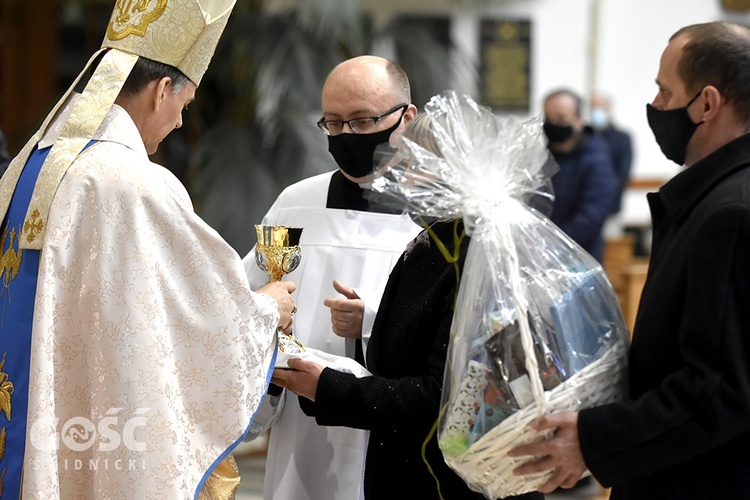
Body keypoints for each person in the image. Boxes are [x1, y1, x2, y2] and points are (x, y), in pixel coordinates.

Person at [0, 1, 296, 498]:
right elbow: (198, 327)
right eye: (184, 105)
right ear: (162, 91)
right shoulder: (133, 184)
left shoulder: (35, 166)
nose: (181, 122)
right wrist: (267, 309)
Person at [510, 21, 750, 499]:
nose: (656, 106)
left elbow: (718, 391)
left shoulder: (732, 213)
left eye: (664, 91)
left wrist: (593, 438)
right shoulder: (717, 197)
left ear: (705, 103)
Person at [271, 112, 543, 500]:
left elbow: (443, 399)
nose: (396, 177)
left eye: (411, 164)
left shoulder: (484, 257)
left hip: (453, 487)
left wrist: (329, 388)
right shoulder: (435, 242)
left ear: (456, 170)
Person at [242, 55, 421, 500]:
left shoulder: (434, 215)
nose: (347, 137)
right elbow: (253, 289)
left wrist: (373, 320)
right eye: (334, 123)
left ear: (407, 118)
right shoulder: (293, 204)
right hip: (302, 427)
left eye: (362, 121)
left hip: (394, 425)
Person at [542, 88, 618, 262]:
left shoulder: (597, 160)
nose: (553, 123)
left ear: (578, 120)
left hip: (578, 260)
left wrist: (551, 245)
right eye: (548, 117)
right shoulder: (541, 157)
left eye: (561, 118)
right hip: (541, 255)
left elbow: (591, 217)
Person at [589, 93, 634, 217]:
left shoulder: (621, 138)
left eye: (601, 108)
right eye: (593, 108)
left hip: (611, 207)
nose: (596, 112)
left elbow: (623, 173)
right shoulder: (585, 137)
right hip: (585, 206)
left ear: (609, 109)